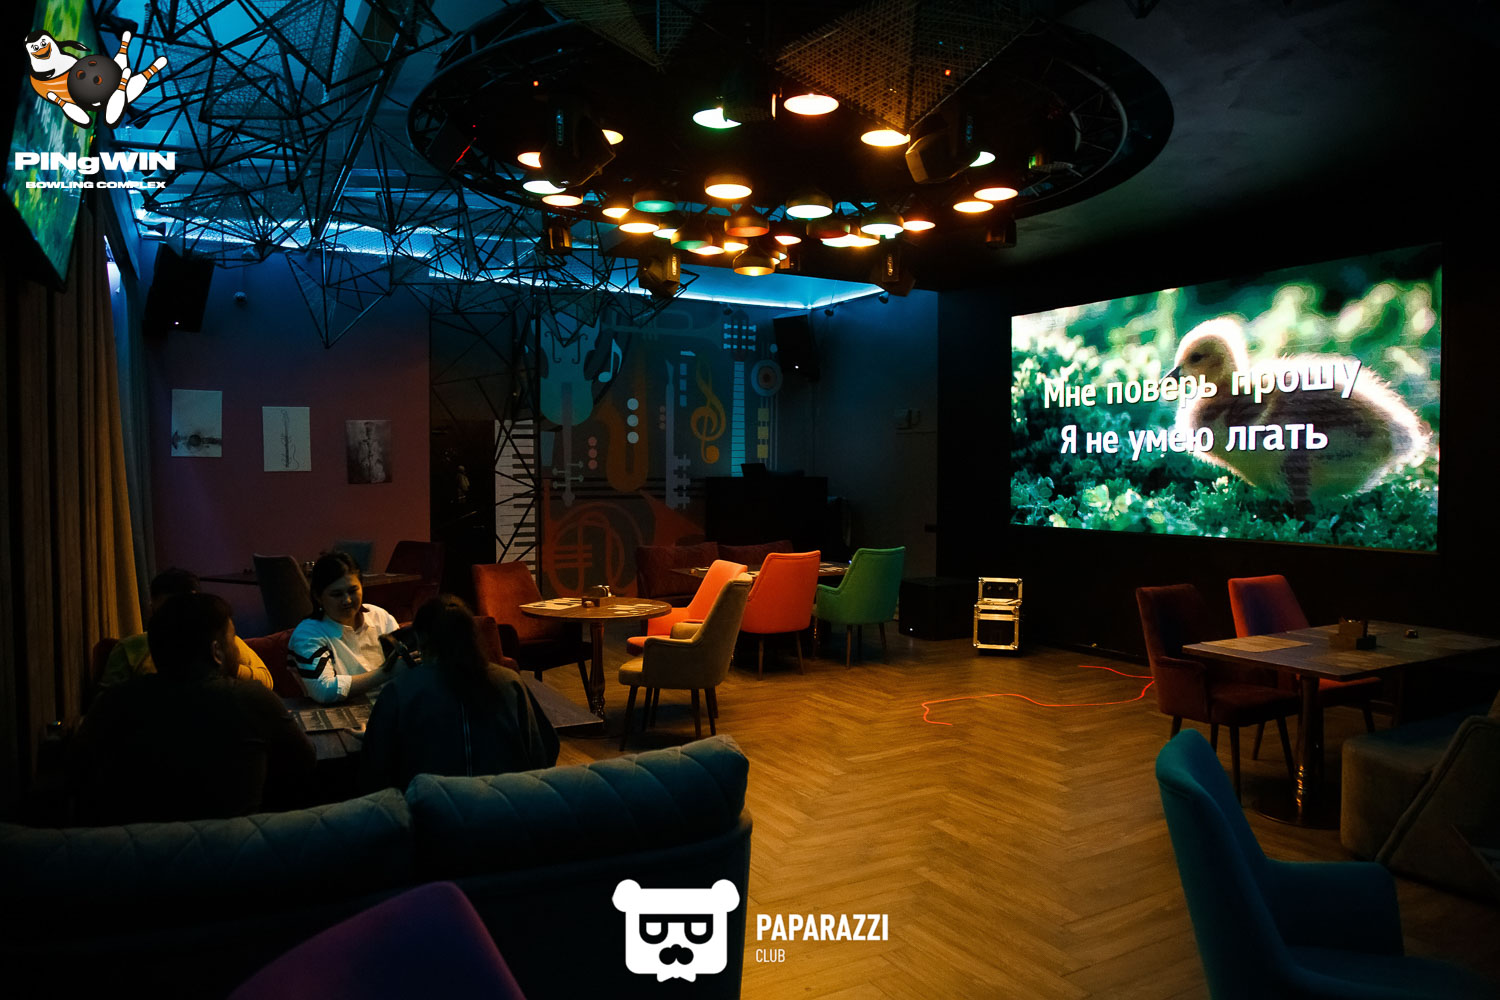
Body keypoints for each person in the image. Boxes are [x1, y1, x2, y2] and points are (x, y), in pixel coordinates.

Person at [72, 592, 316, 824]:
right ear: (216, 651)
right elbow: (303, 761)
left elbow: (79, 771)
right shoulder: (252, 699)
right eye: (233, 639)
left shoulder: (112, 702)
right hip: (236, 845)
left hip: (137, 847)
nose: (236, 647)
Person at [359, 595, 559, 792]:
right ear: (472, 635)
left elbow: (376, 766)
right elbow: (544, 749)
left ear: (420, 638)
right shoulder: (510, 682)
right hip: (505, 803)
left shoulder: (400, 690)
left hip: (429, 807)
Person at [98, 567, 275, 693]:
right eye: (166, 612)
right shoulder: (131, 649)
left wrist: (231, 666)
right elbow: (107, 704)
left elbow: (266, 680)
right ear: (152, 610)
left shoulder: (224, 641)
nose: (174, 619)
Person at [290, 551, 405, 704]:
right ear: (318, 597)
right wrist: (386, 672)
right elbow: (324, 690)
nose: (347, 600)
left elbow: (405, 662)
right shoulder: (309, 633)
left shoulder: (379, 617)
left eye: (352, 591)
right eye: (337, 594)